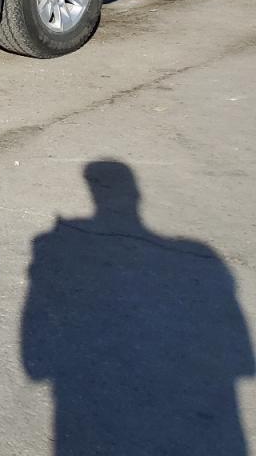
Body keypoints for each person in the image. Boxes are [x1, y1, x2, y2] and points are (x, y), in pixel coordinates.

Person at [21, 159, 254, 454]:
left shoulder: (52, 244)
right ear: (136, 195)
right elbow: (238, 355)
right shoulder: (200, 255)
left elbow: (35, 364)